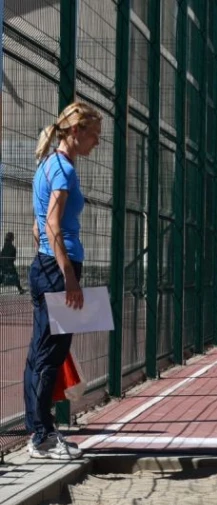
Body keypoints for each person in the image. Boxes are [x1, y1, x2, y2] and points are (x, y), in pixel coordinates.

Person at [24, 102, 102, 460]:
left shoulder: (47, 165)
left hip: (45, 264)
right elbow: (52, 224)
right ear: (76, 132)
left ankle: (39, 430)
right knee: (50, 353)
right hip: (58, 267)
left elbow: (39, 224)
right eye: (93, 135)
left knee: (41, 351)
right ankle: (41, 435)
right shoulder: (64, 170)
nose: (96, 143)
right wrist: (69, 275)